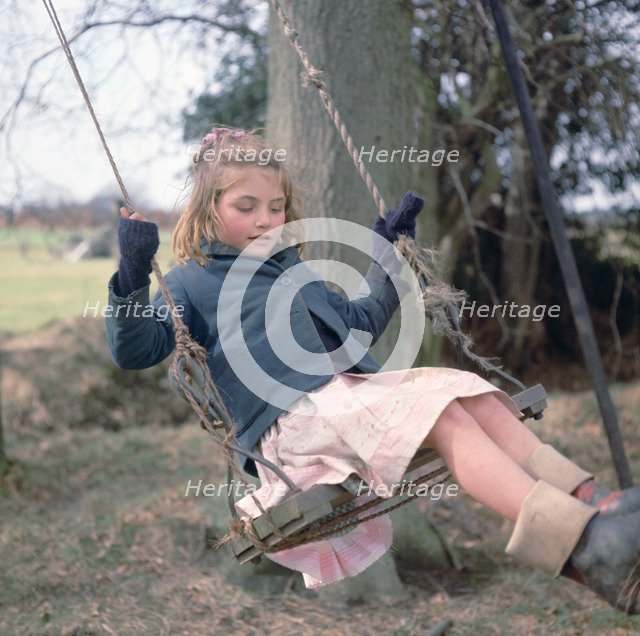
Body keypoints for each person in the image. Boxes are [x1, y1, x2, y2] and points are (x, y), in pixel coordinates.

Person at [106, 127, 640, 612]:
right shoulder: (191, 282)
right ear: (208, 208)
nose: (266, 220)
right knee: (448, 422)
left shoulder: (295, 270)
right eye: (246, 206)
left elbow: (361, 323)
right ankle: (582, 546)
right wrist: (131, 273)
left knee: (473, 396)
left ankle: (592, 503)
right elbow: (136, 350)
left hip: (350, 398)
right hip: (297, 424)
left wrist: (386, 252)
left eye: (275, 206)